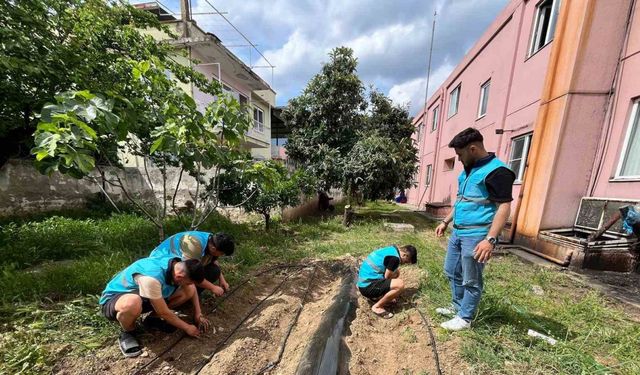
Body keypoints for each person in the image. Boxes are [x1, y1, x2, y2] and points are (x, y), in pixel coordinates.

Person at [435, 127, 515, 331]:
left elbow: (504, 207)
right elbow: (462, 200)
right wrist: (446, 222)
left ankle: (465, 318)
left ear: (472, 149)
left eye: (460, 155)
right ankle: (458, 308)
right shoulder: (468, 170)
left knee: (471, 278)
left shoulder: (497, 172)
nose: (459, 160)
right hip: (458, 231)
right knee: (452, 271)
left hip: (476, 234)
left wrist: (490, 239)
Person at [99, 256, 209, 357]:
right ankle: (128, 333)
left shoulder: (177, 264)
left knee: (188, 290)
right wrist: (187, 327)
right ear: (179, 277)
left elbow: (192, 288)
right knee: (132, 303)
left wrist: (198, 313)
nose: (189, 284)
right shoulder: (151, 279)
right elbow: (163, 312)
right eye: (188, 282)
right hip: (116, 299)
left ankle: (151, 319)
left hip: (146, 296)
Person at [149, 231, 234, 297]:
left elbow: (213, 260)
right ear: (213, 248)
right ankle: (180, 298)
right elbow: (191, 272)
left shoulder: (212, 240)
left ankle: (190, 294)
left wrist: (222, 279)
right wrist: (213, 287)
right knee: (191, 281)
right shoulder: (194, 245)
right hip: (161, 264)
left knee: (215, 270)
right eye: (221, 253)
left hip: (179, 263)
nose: (221, 256)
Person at [356, 244, 418, 319]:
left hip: (363, 283)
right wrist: (393, 292)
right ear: (405, 255)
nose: (404, 263)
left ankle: (379, 296)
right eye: (406, 262)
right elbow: (387, 277)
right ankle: (377, 307)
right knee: (400, 284)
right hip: (367, 287)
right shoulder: (395, 259)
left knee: (396, 274)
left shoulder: (392, 249)